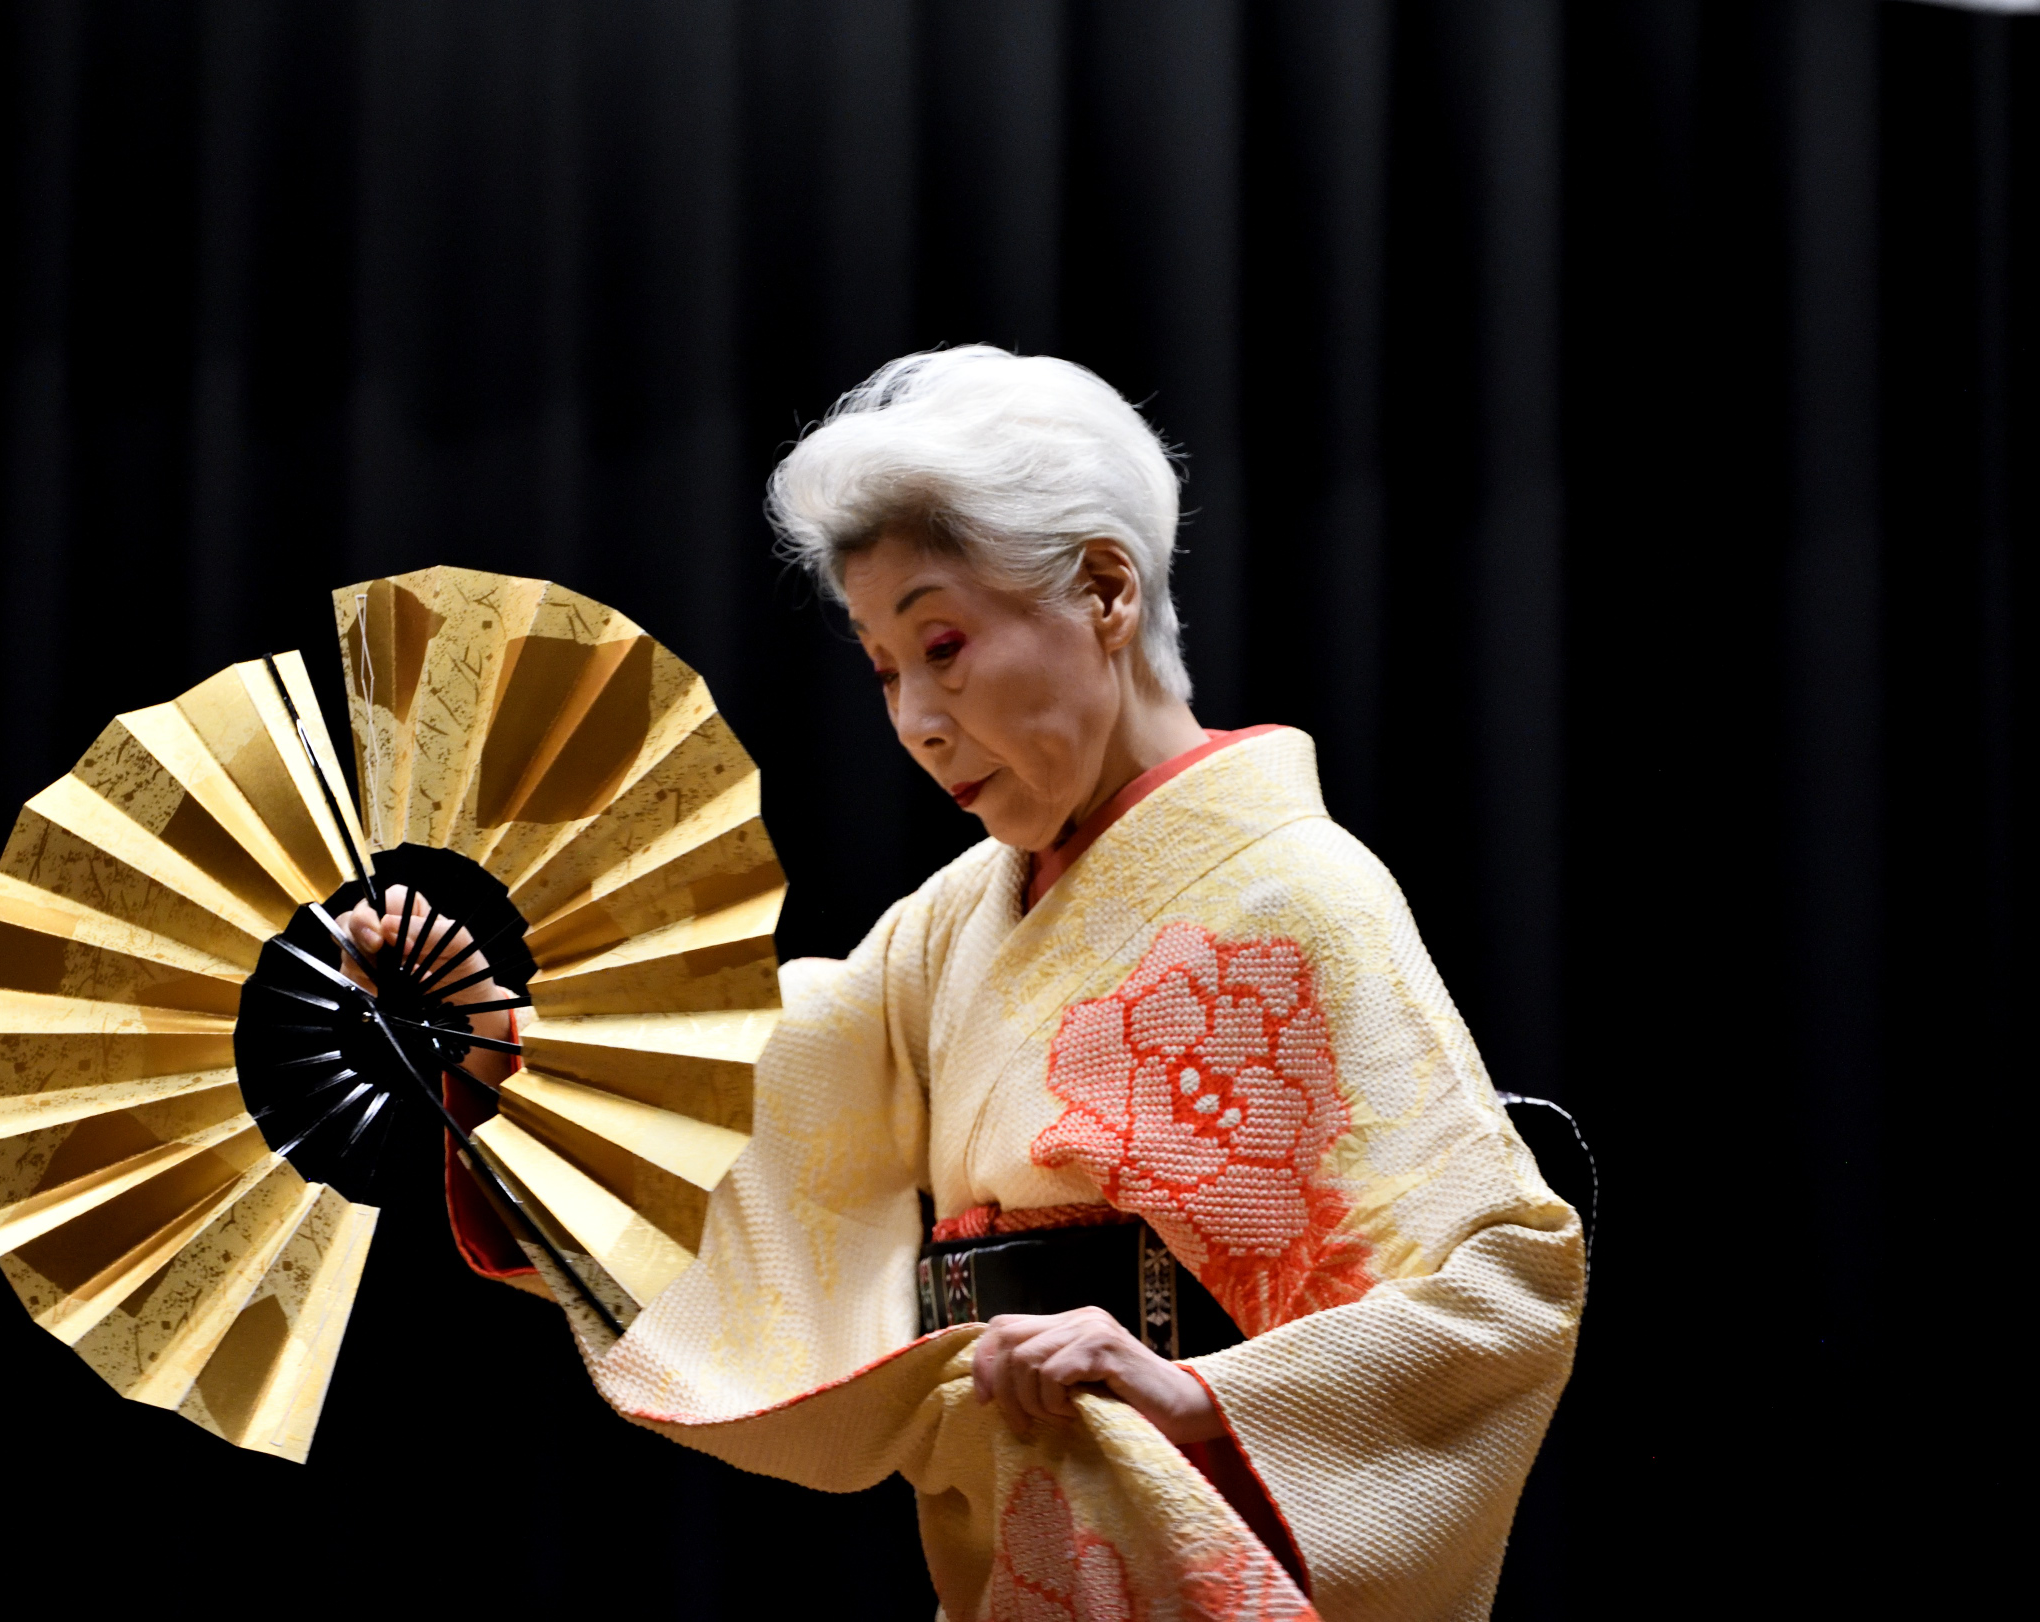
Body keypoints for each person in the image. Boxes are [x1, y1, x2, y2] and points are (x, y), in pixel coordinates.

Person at [341, 347, 1583, 1621]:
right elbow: (772, 1084)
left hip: (1190, 1552)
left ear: (1106, 588)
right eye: (886, 668)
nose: (917, 720)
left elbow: (1503, 1282)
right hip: (1016, 1553)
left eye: (944, 645)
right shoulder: (957, 919)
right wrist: (505, 1049)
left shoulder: (1299, 892)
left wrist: (1203, 1396)